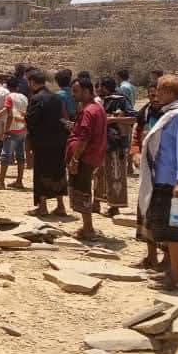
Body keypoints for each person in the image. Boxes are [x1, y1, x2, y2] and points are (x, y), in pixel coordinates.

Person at [136, 74, 178, 291]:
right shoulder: (171, 113)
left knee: (173, 228)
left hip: (171, 183)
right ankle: (172, 270)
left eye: (160, 90)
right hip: (160, 180)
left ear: (169, 92)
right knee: (164, 226)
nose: (157, 94)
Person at [66, 76, 107, 239]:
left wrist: (75, 159)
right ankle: (86, 226)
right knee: (82, 189)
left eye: (76, 91)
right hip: (91, 156)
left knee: (82, 190)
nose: (73, 95)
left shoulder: (89, 111)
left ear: (86, 91)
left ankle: (88, 228)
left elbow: (84, 138)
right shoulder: (96, 108)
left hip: (84, 157)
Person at [25, 69, 68, 216]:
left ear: (32, 82)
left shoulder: (36, 98)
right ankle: (60, 206)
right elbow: (63, 118)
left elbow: (32, 120)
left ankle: (42, 206)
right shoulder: (56, 98)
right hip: (59, 141)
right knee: (58, 171)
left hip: (42, 142)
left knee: (41, 172)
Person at [94, 76, 136, 216]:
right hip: (100, 141)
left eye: (100, 86)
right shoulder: (99, 100)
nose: (98, 89)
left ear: (105, 87)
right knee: (99, 173)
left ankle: (114, 207)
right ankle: (96, 203)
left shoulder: (120, 100)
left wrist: (113, 119)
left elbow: (133, 117)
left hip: (115, 142)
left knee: (115, 173)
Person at [0, 78, 29, 190]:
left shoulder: (9, 97)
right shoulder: (24, 97)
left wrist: (6, 130)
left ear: (8, 87)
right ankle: (19, 180)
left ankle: (1, 181)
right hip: (22, 128)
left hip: (12, 129)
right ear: (17, 87)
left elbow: (9, 115)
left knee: (5, 156)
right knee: (20, 155)